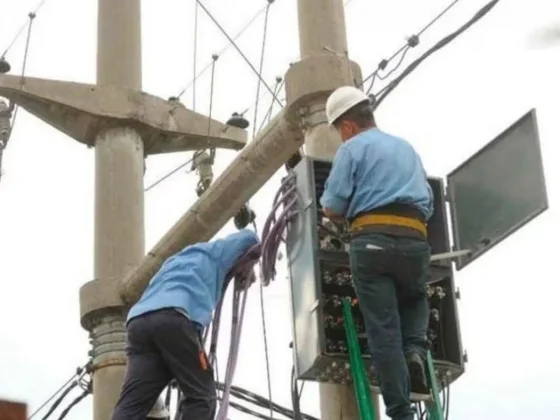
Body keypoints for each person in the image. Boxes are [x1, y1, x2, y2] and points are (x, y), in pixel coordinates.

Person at [320, 86, 434, 420]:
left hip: (371, 242)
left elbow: (331, 206)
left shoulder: (352, 149)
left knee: (384, 330)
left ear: (347, 127)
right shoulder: (407, 148)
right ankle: (414, 350)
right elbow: (427, 202)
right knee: (415, 298)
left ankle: (400, 412)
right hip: (415, 238)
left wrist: (346, 216)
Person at [112, 229, 260, 420]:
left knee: (132, 403)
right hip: (174, 319)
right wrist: (252, 263)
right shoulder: (216, 254)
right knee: (203, 396)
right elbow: (250, 238)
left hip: (139, 323)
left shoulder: (175, 262)